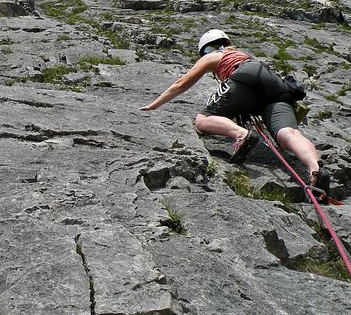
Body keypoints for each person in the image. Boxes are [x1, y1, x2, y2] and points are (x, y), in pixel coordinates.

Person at [141, 29, 330, 201]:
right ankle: (315, 170)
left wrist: (153, 105)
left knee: (203, 119)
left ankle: (242, 136)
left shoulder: (215, 56)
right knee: (288, 134)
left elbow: (181, 84)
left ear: (208, 48)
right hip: (274, 85)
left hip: (244, 76)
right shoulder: (244, 54)